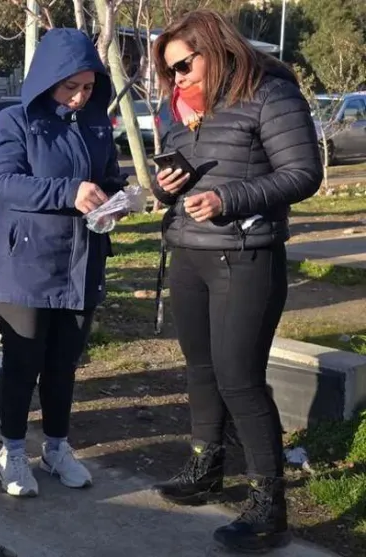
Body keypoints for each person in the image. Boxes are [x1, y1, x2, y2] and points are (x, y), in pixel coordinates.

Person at [149, 10, 322, 553]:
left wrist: (229, 199)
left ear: (216, 49)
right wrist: (165, 186)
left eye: (182, 65)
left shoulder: (271, 93)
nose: (176, 78)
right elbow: (178, 180)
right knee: (201, 369)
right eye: (168, 69)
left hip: (246, 256)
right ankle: (206, 467)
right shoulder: (177, 107)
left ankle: (270, 506)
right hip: (188, 252)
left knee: (239, 379)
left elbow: (303, 173)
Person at [0, 28, 126, 497]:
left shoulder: (96, 121)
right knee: (23, 362)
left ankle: (57, 446)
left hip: (81, 259)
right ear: (48, 80)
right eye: (71, 86)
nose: (81, 95)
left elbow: (106, 175)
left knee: (64, 363)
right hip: (26, 261)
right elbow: (3, 184)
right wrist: (69, 192)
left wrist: (115, 198)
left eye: (88, 86)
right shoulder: (13, 121)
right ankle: (12, 452)